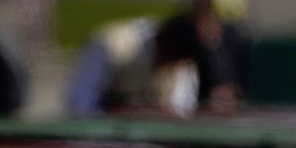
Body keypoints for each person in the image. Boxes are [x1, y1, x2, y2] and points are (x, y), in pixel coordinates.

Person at [64, 15, 198, 117]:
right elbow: (81, 101)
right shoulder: (111, 45)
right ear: (163, 42)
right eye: (170, 59)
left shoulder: (180, 64)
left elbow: (180, 109)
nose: (171, 67)